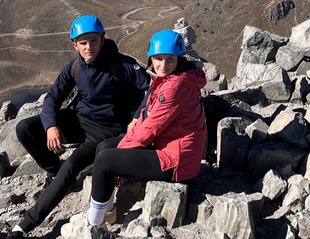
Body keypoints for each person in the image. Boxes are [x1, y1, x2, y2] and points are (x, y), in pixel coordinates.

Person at [10, 15, 150, 238]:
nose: (88, 47)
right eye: (83, 43)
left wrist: (137, 116)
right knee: (25, 128)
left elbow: (153, 88)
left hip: (107, 129)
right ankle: (57, 174)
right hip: (79, 120)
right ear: (74, 44)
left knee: (73, 163)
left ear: (102, 39)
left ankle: (23, 227)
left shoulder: (121, 64)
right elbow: (53, 98)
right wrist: (50, 126)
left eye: (93, 41)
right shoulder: (75, 66)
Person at [60, 29, 207, 237]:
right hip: (170, 148)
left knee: (105, 161)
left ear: (179, 58)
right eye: (158, 59)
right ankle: (107, 212)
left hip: (176, 162)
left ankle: (93, 225)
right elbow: (146, 120)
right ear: (151, 57)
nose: (163, 65)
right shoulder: (172, 78)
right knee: (105, 147)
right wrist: (122, 151)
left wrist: (120, 159)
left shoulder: (174, 88)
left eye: (170, 59)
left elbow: (150, 129)